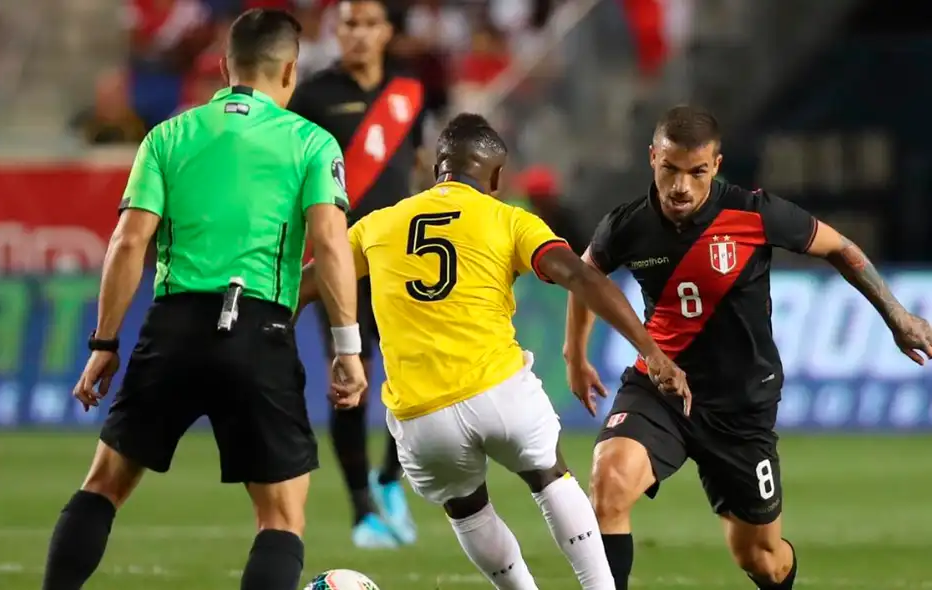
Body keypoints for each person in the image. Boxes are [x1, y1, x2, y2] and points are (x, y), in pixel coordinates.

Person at [40, 10, 366, 590]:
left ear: (223, 68)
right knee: (280, 516)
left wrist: (104, 342)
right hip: (259, 330)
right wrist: (347, 346)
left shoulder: (167, 136)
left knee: (103, 485)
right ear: (290, 70)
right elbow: (330, 244)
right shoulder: (312, 143)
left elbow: (128, 242)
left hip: (172, 327)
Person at [297, 113, 691, 590]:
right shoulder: (509, 219)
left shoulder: (376, 226)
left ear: (437, 168)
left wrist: (283, 335)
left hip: (421, 415)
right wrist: (651, 350)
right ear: (498, 177)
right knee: (549, 476)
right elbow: (583, 277)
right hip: (497, 391)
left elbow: (310, 283)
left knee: (467, 509)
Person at [564, 105, 932, 590]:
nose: (680, 186)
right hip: (661, 390)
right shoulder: (626, 225)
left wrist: (897, 316)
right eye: (669, 169)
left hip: (741, 406)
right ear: (652, 157)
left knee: (761, 558)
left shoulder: (755, 214)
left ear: (715, 166)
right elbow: (584, 279)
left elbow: (842, 248)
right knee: (608, 485)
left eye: (696, 172)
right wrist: (576, 355)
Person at [286, 0, 427, 548]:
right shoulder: (314, 95)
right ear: (335, 30)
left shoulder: (409, 93)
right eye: (349, 24)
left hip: (399, 257)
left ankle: (390, 477)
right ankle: (362, 507)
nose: (360, 34)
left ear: (388, 31)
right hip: (338, 259)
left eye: (370, 24)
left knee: (413, 376)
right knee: (350, 380)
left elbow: (414, 166)